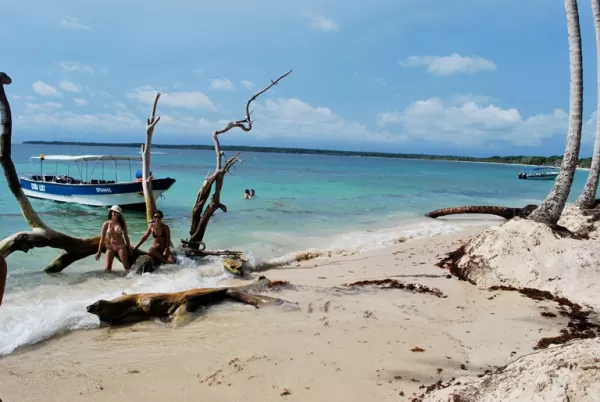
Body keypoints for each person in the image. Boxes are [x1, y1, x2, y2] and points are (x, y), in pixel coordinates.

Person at [96, 205, 131, 272]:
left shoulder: (122, 223)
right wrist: (99, 251)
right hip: (110, 246)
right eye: (113, 211)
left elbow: (126, 237)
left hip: (120, 246)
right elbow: (102, 238)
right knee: (107, 268)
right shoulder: (106, 223)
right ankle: (110, 281)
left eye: (116, 212)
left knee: (126, 266)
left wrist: (129, 248)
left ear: (119, 214)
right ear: (111, 212)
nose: (114, 213)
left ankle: (130, 280)